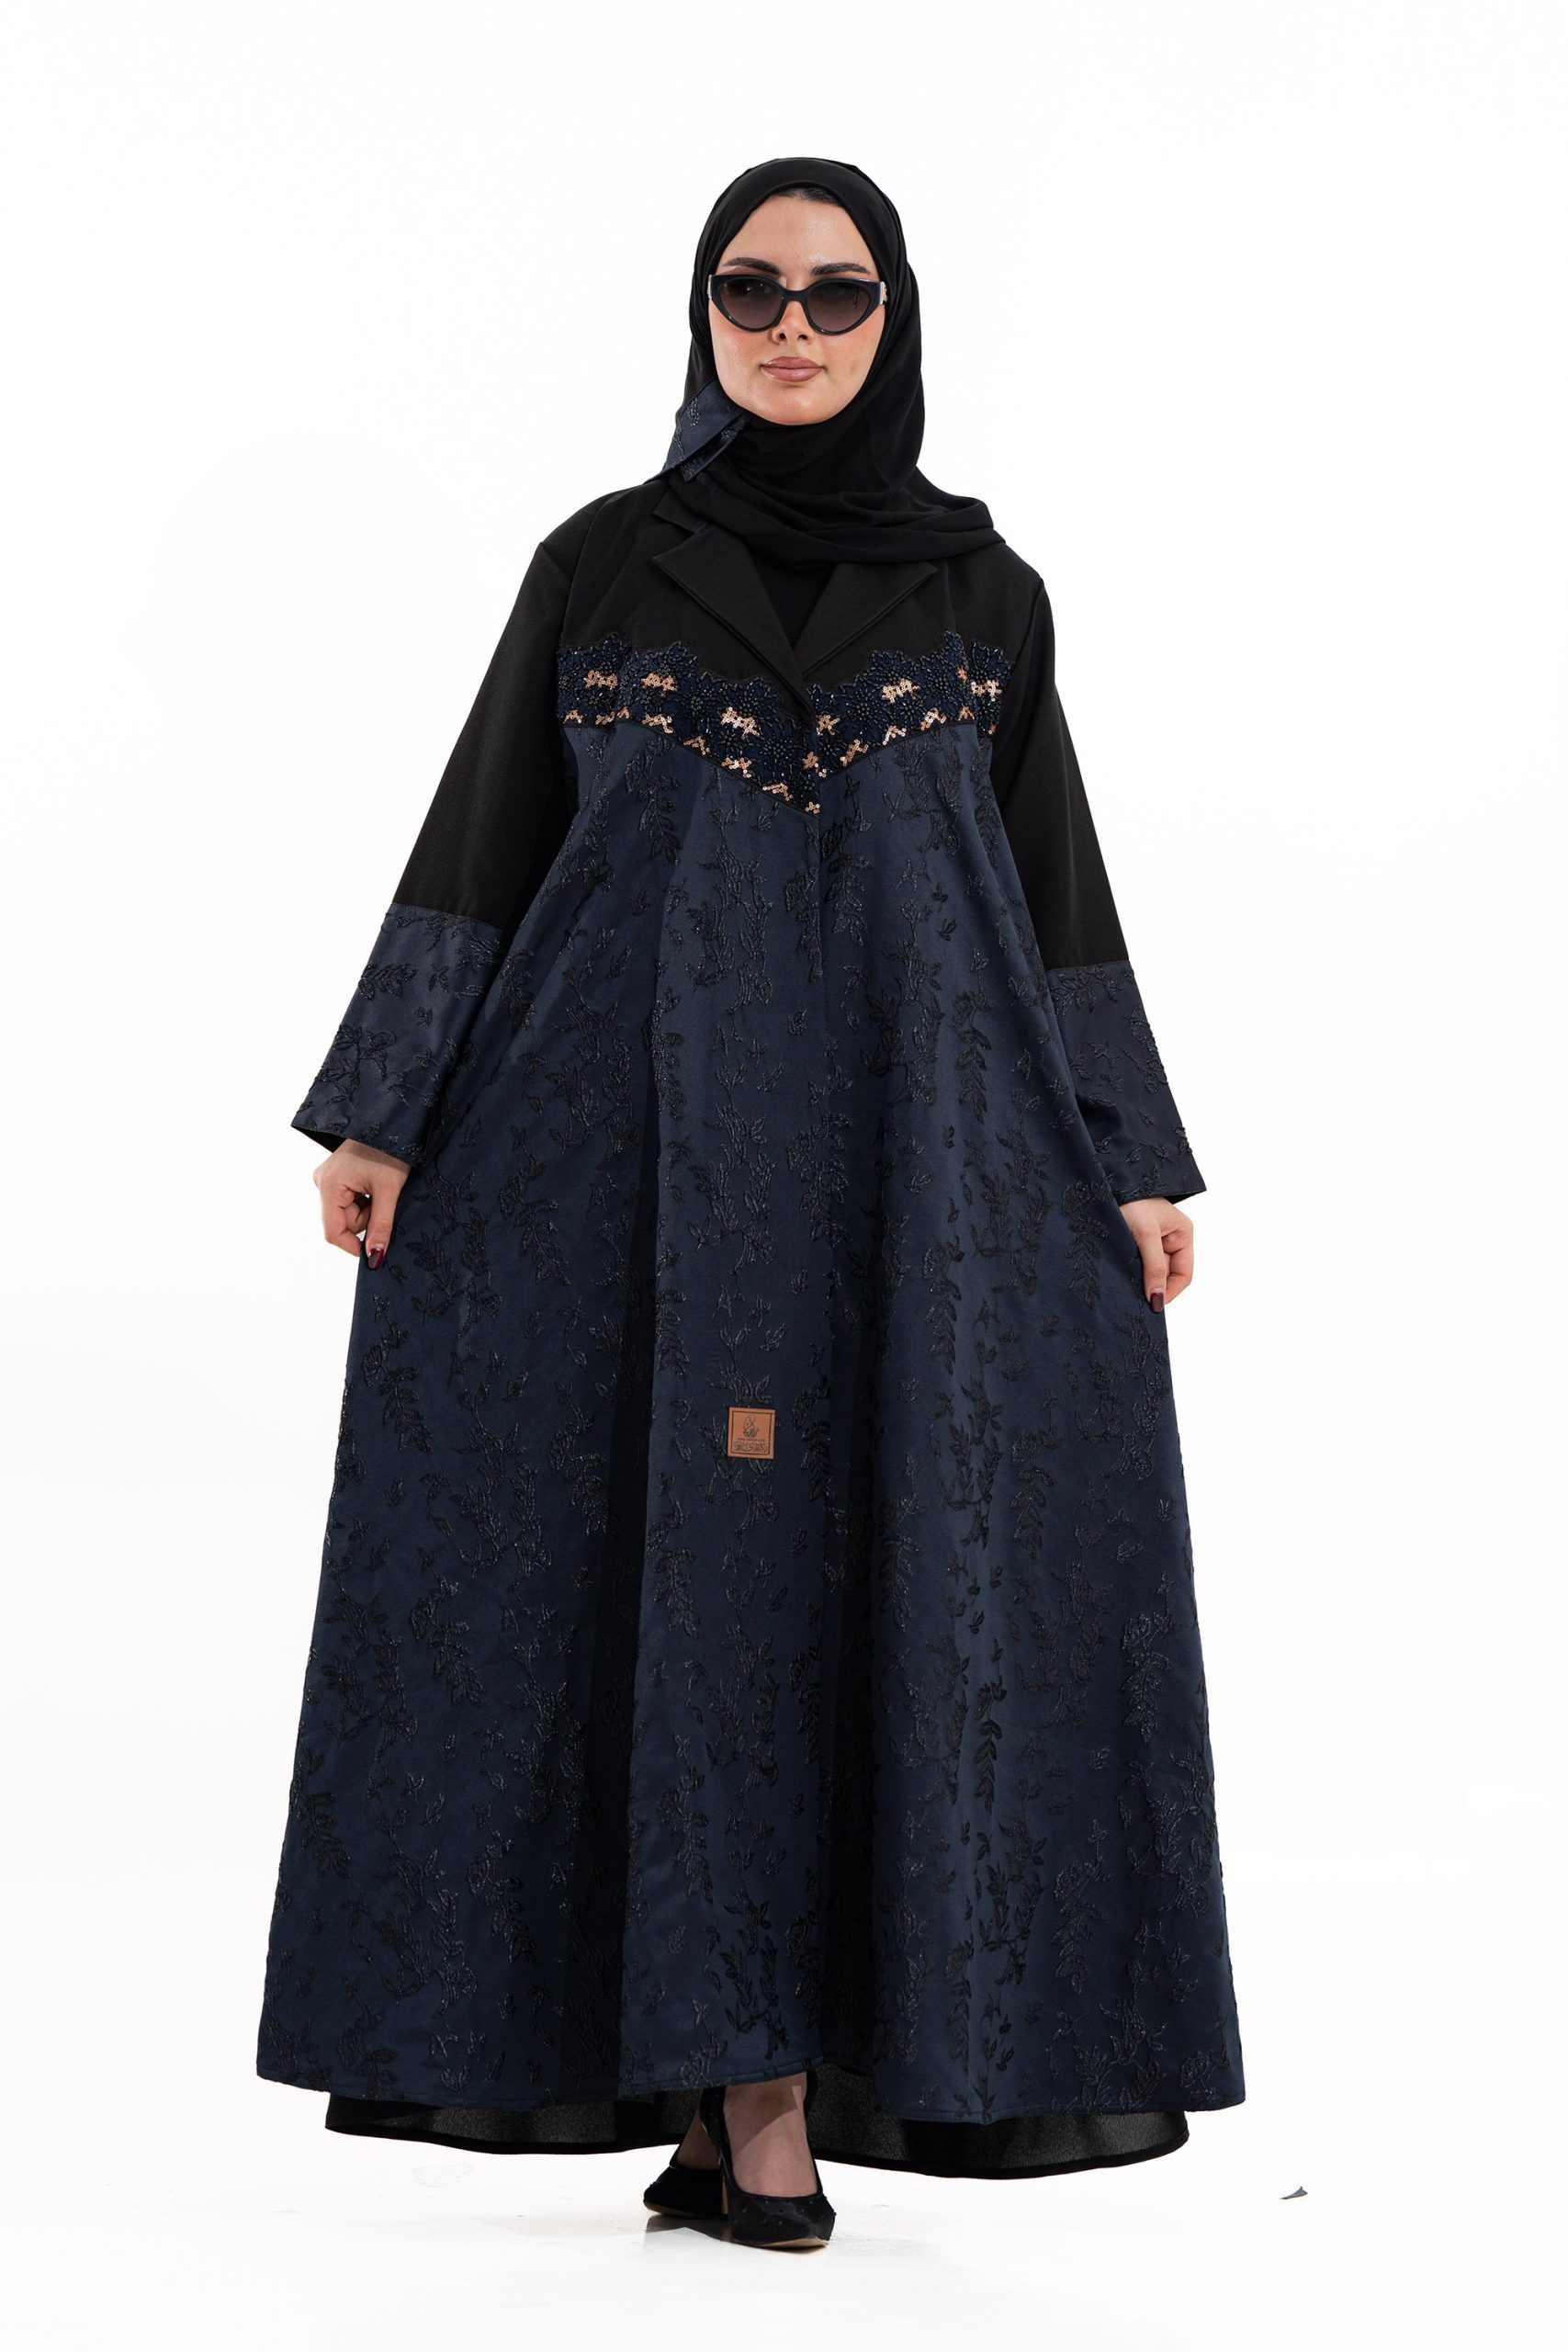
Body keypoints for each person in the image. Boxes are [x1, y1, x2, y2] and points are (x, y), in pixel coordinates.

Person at [256, 153, 1245, 2254]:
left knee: (874, 1573)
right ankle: (736, 2090)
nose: (790, 327)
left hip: (911, 1165)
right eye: (749, 288)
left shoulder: (982, 595)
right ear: (700, 313)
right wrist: (385, 1110)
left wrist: (1129, 1152)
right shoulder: (601, 565)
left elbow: (1051, 893)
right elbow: (484, 833)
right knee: (650, 1576)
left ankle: (754, 2091)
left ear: (897, 316)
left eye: (835, 292)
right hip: (622, 1150)